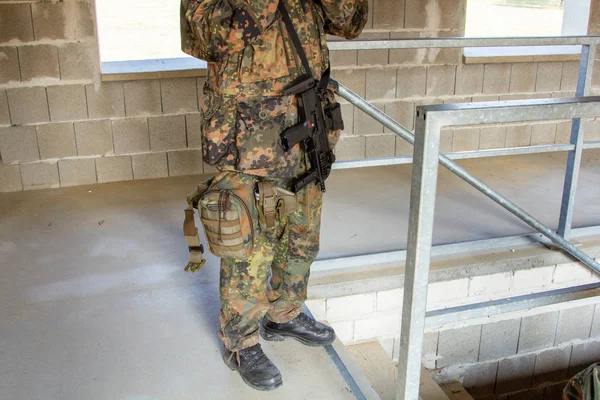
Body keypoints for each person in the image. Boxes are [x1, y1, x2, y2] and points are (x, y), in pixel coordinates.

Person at [180, 0, 368, 391]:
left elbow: (350, 22)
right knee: (250, 247)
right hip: (250, 136)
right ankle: (241, 341)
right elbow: (212, 38)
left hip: (307, 123)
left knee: (302, 236)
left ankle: (284, 313)